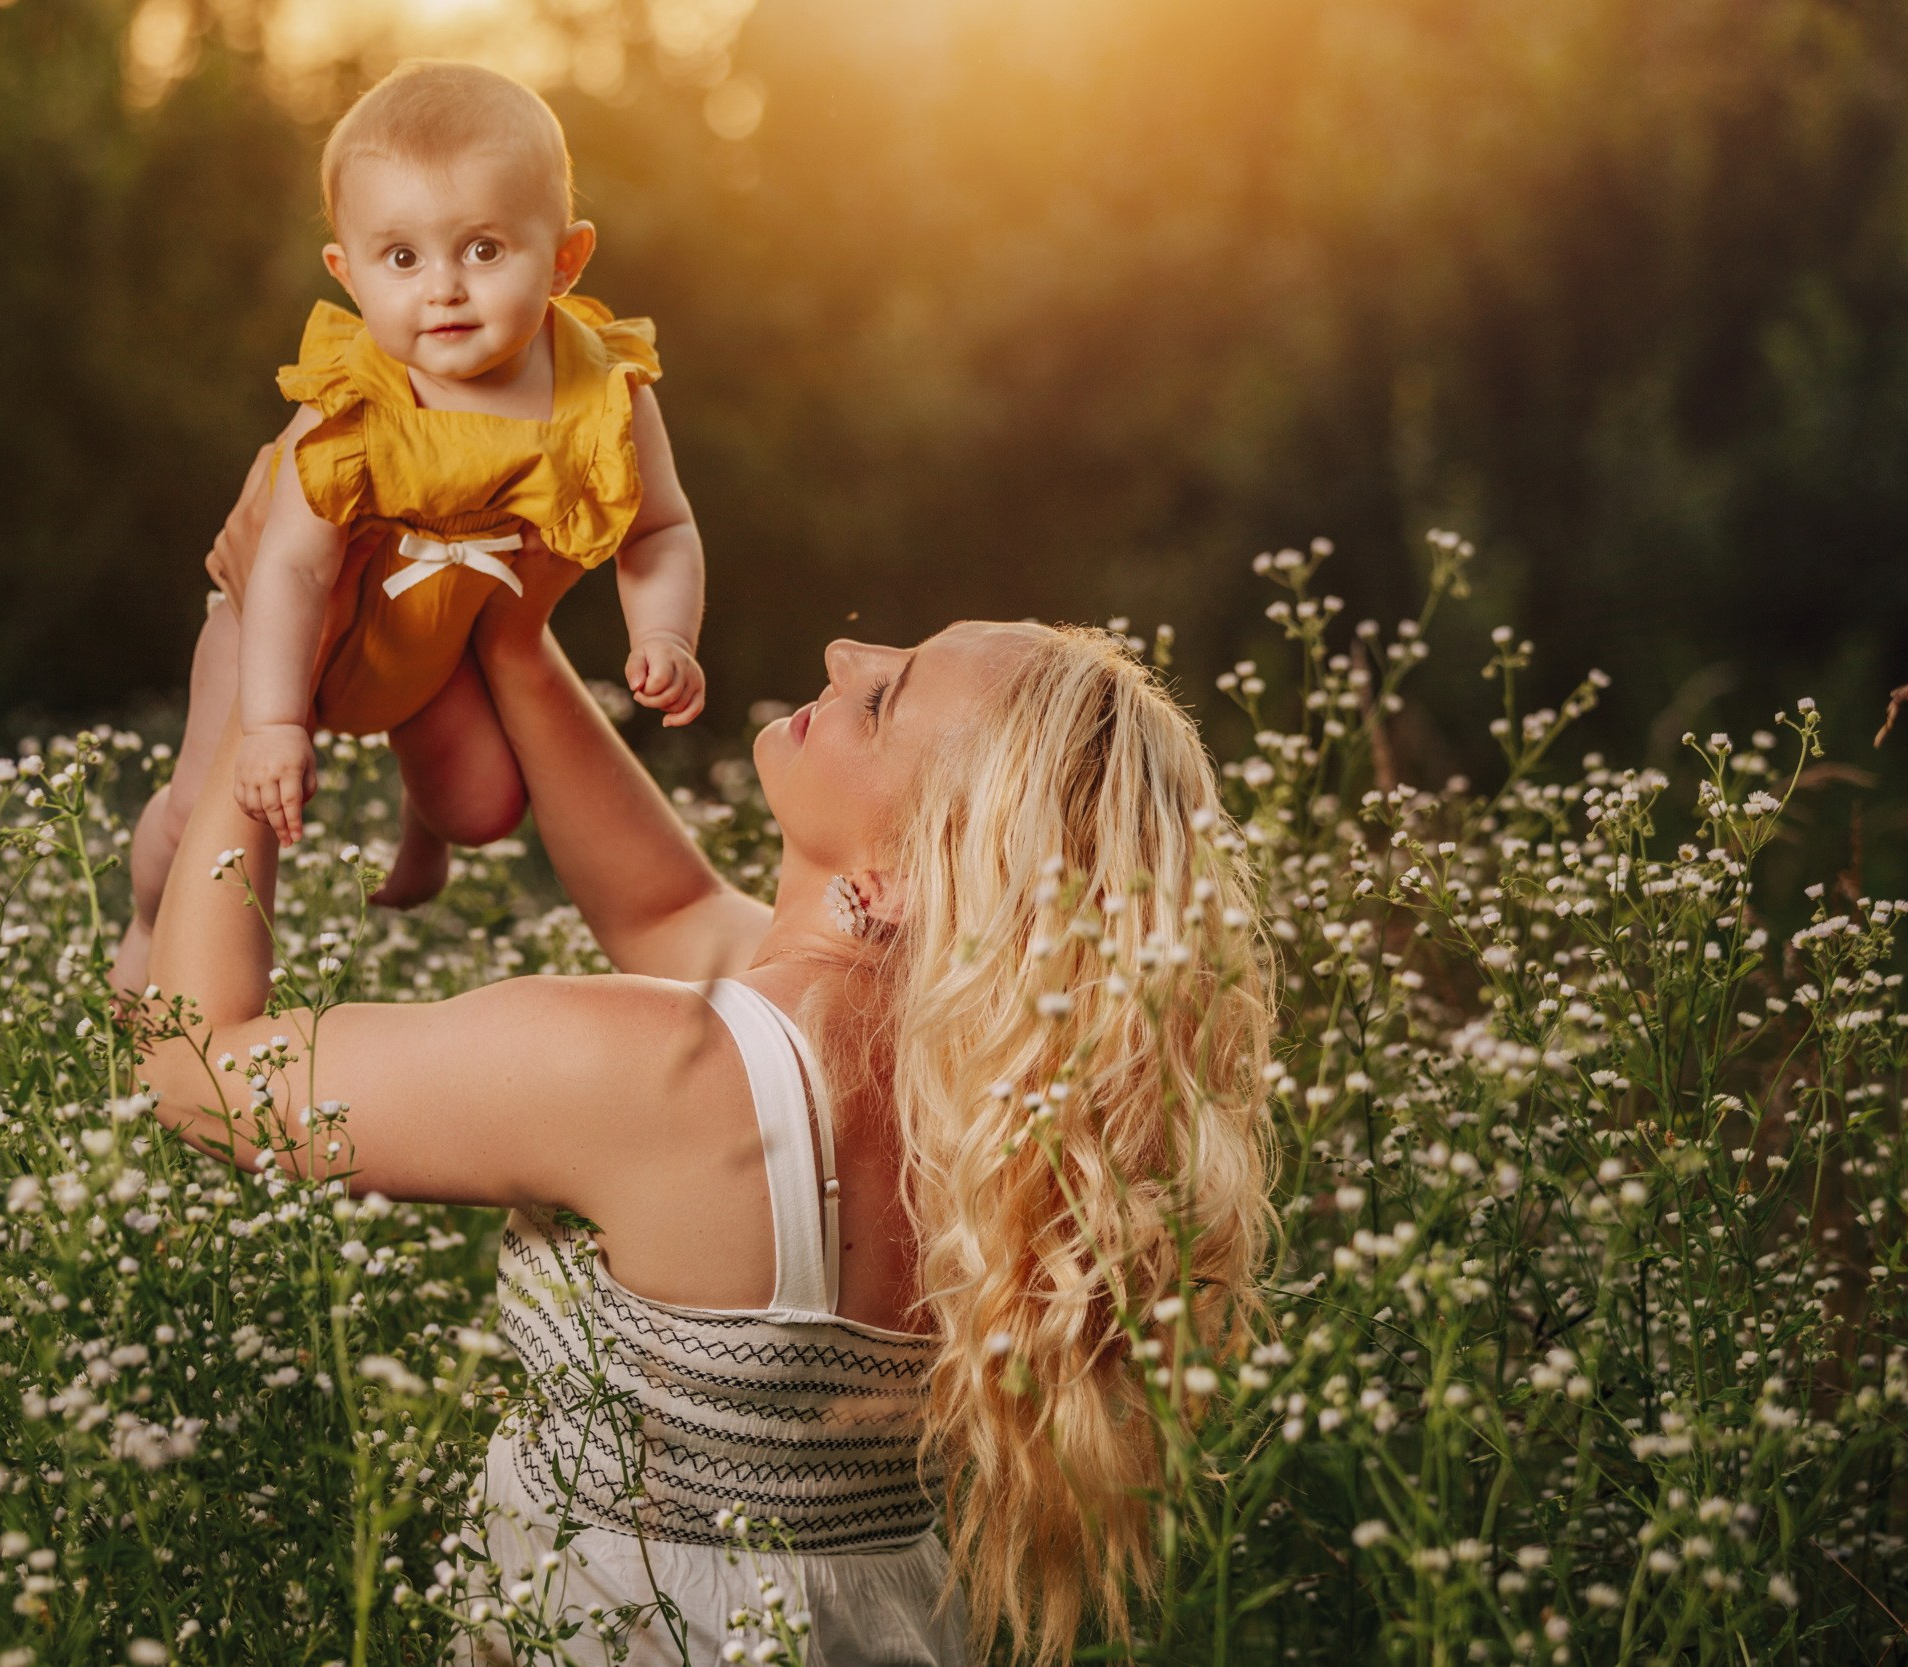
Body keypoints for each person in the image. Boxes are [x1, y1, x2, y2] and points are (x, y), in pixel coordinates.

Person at [137, 551, 1277, 1666]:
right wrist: (513, 637)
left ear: (896, 879)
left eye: (882, 699)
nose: (845, 650)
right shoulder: (977, 1086)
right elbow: (664, 899)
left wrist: (262, 668)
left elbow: (202, 1075)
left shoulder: (655, 1067)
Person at [114, 60, 707, 991]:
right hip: (281, 638)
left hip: (429, 654)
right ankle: (149, 928)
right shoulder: (351, 404)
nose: (443, 289)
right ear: (347, 274)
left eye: (482, 249)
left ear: (564, 257)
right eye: (402, 258)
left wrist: (664, 630)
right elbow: (295, 572)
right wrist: (273, 720)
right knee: (208, 817)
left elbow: (661, 529)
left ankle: (423, 828)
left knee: (486, 806)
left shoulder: (604, 393)